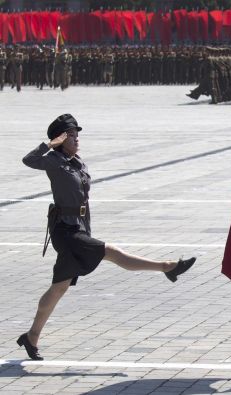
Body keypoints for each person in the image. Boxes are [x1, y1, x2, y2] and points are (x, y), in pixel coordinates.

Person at [18, 114, 196, 361]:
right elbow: (29, 160)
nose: (76, 138)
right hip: (65, 231)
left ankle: (31, 337)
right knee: (110, 252)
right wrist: (50, 144)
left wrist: (86, 230)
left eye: (76, 134)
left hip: (78, 228)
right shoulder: (53, 160)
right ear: (60, 138)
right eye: (70, 135)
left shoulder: (77, 162)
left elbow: (83, 202)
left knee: (59, 287)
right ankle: (167, 267)